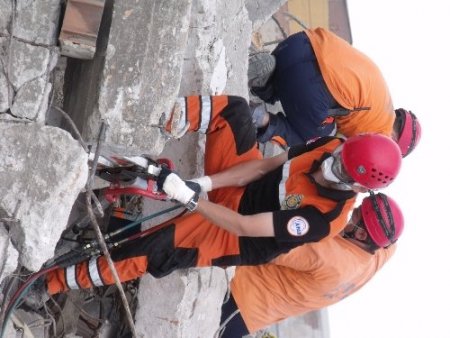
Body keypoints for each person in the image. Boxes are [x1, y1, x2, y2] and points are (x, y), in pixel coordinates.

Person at [45, 95, 402, 295]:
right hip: (243, 186)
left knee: (150, 253)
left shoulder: (323, 220)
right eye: (339, 155)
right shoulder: (333, 145)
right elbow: (263, 167)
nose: (331, 163)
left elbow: (245, 226)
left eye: (340, 169)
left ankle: (52, 282)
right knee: (233, 112)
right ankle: (154, 117)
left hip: (234, 235)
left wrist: (190, 199)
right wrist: (208, 185)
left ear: (357, 187)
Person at [219, 192, 404, 337]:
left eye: (355, 214)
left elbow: (266, 242)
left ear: (362, 235)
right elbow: (392, 244)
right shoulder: (375, 256)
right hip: (252, 316)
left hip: (238, 299)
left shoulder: (328, 256)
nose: (351, 211)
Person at [249, 27, 422, 157]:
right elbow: (343, 149)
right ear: (394, 140)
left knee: (282, 89)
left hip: (299, 44)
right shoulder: (381, 132)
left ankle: (266, 78)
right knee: (319, 140)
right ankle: (261, 118)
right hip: (313, 89)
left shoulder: (381, 93)